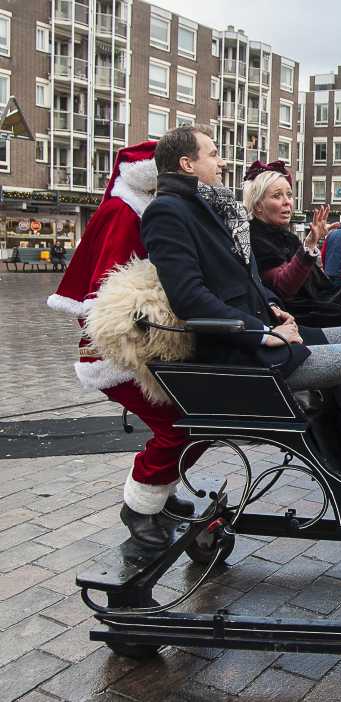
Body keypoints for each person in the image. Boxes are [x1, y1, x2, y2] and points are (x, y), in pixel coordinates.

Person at [140, 126, 341, 512]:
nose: (222, 162)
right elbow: (189, 299)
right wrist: (261, 333)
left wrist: (275, 308)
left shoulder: (211, 207)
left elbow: (246, 280)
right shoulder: (168, 211)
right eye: (213, 154)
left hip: (266, 332)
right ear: (187, 164)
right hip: (239, 352)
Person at [45, 140, 208, 548]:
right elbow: (106, 295)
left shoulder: (149, 209)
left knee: (190, 424)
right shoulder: (122, 212)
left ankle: (159, 493)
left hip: (150, 344)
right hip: (122, 351)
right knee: (177, 428)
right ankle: (139, 506)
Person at [243, 161, 341, 327]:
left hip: (325, 298)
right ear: (258, 206)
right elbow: (283, 287)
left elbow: (320, 283)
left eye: (289, 195)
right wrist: (309, 246)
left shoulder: (288, 238)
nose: (287, 202)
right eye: (277, 196)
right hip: (295, 316)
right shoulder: (255, 239)